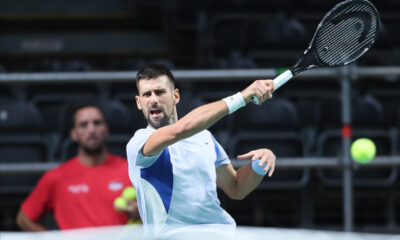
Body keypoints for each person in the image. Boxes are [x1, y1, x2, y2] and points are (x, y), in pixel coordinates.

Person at [126, 64, 276, 235]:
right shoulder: (139, 143)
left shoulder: (203, 137)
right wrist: (241, 98)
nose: (153, 99)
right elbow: (180, 129)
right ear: (139, 102)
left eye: (160, 92)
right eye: (147, 94)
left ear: (175, 96)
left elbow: (236, 188)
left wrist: (259, 165)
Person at [16, 104, 140, 231]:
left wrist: (140, 216)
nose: (91, 129)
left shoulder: (131, 171)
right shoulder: (56, 177)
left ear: (106, 129)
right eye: (83, 124)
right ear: (74, 134)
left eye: (97, 123)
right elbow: (24, 219)